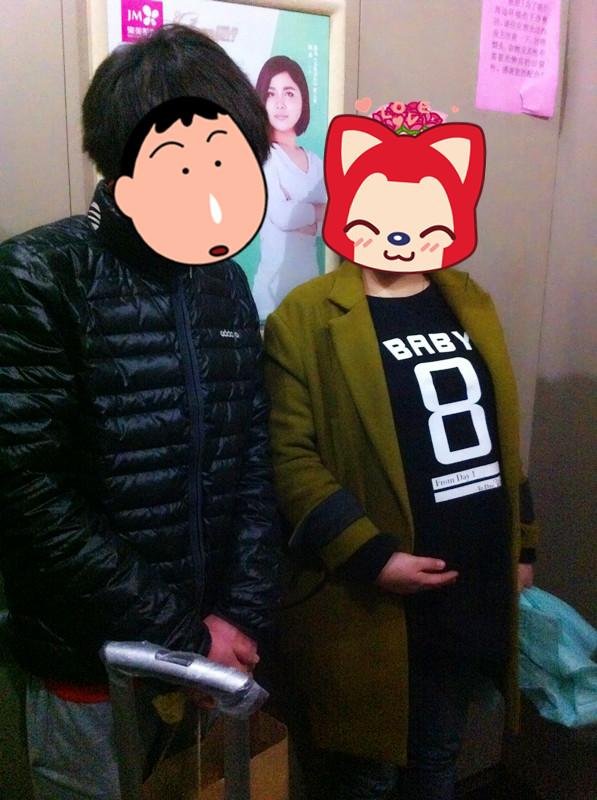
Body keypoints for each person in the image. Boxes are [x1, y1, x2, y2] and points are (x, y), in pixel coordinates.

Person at [0, 25, 279, 800]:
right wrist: (184, 638)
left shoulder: (222, 282)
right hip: (96, 668)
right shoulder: (38, 274)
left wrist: (239, 618)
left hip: (216, 658)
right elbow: (28, 494)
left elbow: (252, 459)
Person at [264, 108, 538, 800]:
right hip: (366, 604)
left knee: (438, 759)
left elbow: (498, 430)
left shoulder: (467, 300)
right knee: (365, 775)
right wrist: (371, 556)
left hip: (468, 587)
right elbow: (289, 456)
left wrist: (522, 545)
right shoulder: (305, 316)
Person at [252, 55, 327, 319]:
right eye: (271, 94)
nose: (280, 103)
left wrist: (305, 215)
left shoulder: (317, 163)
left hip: (312, 295)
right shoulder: (265, 157)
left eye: (289, 93)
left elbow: (332, 224)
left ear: (303, 99)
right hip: (271, 299)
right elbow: (282, 216)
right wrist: (318, 212)